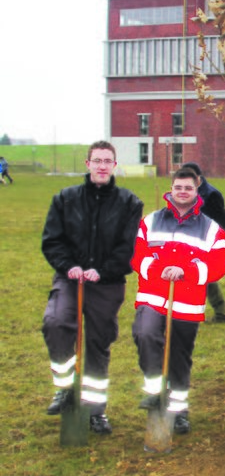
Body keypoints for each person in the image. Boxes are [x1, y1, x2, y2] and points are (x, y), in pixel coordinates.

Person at [41, 141, 143, 434]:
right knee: (56, 323)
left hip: (106, 284)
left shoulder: (129, 202)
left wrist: (103, 270)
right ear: (87, 164)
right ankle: (65, 388)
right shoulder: (65, 198)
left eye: (107, 161)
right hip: (70, 279)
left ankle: (96, 410)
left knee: (98, 344)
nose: (101, 165)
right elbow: (52, 239)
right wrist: (68, 266)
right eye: (96, 160)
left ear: (114, 165)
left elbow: (130, 247)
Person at [131, 167, 225, 434]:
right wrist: (154, 269)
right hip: (153, 296)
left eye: (188, 188)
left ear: (197, 191)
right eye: (178, 187)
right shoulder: (150, 221)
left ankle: (179, 411)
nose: (183, 192)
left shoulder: (211, 229)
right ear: (171, 189)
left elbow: (219, 266)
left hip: (187, 304)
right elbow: (137, 256)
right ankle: (155, 390)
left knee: (179, 357)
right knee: (145, 333)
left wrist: (187, 272)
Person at [182, 161, 225, 323]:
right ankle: (216, 312)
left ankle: (217, 313)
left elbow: (222, 221)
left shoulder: (211, 195)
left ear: (198, 178)